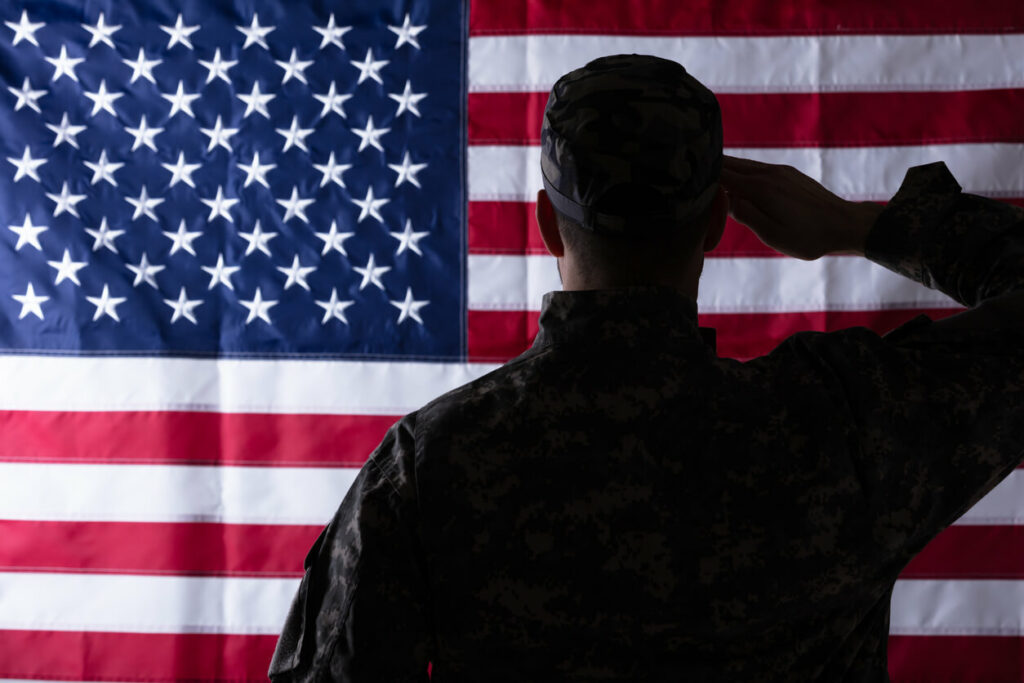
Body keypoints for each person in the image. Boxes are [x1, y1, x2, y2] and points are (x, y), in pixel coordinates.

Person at [268, 54, 1024, 681]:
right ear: (718, 222)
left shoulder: (431, 464)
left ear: (544, 222)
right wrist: (860, 225)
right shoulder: (844, 424)